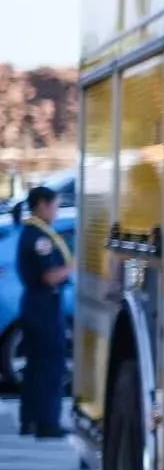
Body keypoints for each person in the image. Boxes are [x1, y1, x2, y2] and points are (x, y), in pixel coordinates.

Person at [15, 185, 71, 439]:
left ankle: (29, 421)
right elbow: (49, 276)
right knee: (50, 366)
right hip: (44, 308)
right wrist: (73, 269)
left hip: (35, 307)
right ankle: (47, 423)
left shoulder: (32, 232)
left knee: (35, 366)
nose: (56, 211)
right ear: (41, 205)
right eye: (55, 205)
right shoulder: (39, 237)